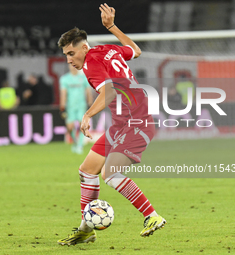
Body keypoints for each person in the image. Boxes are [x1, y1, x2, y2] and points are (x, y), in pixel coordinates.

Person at [57, 3, 166, 246]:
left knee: (111, 173)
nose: (68, 59)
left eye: (71, 53)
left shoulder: (90, 64)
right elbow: (135, 51)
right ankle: (86, 230)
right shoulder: (107, 50)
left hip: (136, 123)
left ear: (83, 48)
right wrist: (112, 27)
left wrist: (87, 115)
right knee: (87, 170)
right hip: (122, 125)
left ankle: (152, 216)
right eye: (65, 55)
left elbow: (109, 93)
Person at [59, 64, 93, 154]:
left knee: (82, 125)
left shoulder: (83, 78)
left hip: (81, 105)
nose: (72, 67)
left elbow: (88, 91)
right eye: (70, 65)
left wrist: (90, 103)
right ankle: (75, 142)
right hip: (70, 106)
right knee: (70, 127)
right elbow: (63, 93)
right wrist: (62, 106)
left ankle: (80, 145)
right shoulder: (65, 79)